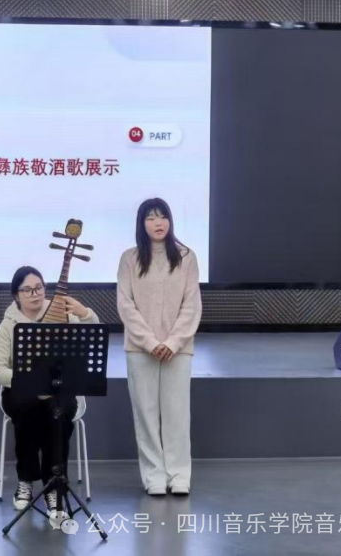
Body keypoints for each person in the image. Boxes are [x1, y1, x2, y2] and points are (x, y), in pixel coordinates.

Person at [0, 266, 99, 514]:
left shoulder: (61, 314)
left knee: (61, 412)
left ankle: (54, 487)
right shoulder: (8, 325)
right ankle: (26, 481)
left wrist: (85, 313)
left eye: (39, 288)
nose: (35, 294)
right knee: (26, 408)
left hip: (58, 389)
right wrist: (29, 379)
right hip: (22, 390)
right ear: (16, 295)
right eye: (27, 290)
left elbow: (92, 334)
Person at [117, 198, 202, 496]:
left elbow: (191, 305)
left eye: (163, 216)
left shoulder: (186, 257)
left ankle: (179, 475)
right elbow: (125, 305)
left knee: (177, 413)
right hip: (140, 349)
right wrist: (151, 343)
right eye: (151, 218)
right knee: (146, 414)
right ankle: (154, 475)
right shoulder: (129, 259)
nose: (158, 223)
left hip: (179, 349)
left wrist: (173, 342)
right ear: (141, 224)